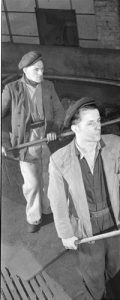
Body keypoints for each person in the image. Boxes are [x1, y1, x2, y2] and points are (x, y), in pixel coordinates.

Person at [48, 97, 120, 300]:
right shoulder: (59, 160)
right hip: (85, 230)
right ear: (75, 128)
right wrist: (65, 233)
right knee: (93, 276)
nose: (98, 127)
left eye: (98, 121)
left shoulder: (115, 145)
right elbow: (58, 200)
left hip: (114, 222)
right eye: (91, 123)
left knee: (116, 270)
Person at [1, 50, 65, 233]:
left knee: (49, 176)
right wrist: (4, 141)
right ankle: (34, 217)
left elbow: (59, 111)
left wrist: (54, 129)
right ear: (26, 71)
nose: (41, 74)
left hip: (46, 137)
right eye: (37, 70)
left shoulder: (48, 86)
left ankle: (48, 208)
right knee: (33, 183)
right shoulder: (12, 89)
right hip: (25, 140)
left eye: (42, 69)